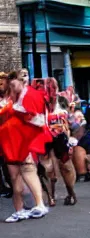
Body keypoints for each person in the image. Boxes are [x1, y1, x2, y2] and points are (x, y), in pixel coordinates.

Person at [1, 71, 51, 222]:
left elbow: (38, 120)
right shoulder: (12, 99)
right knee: (14, 176)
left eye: (13, 84)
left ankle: (40, 204)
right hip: (10, 143)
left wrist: (20, 111)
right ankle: (19, 210)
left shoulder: (28, 96)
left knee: (28, 170)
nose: (11, 86)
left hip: (24, 141)